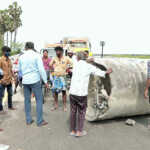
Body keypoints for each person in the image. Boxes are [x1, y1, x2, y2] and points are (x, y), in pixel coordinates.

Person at [69, 52, 113, 137]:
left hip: (72, 93)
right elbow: (101, 72)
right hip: (81, 94)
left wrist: (86, 59)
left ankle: (73, 131)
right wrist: (108, 71)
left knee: (73, 112)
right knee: (81, 112)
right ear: (85, 59)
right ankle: (79, 131)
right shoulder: (89, 67)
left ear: (78, 58)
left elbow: (74, 56)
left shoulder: (75, 63)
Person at [19, 42, 48, 126]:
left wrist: (22, 78)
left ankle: (28, 120)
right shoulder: (37, 55)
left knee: (27, 100)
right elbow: (41, 69)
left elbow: (19, 70)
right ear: (33, 47)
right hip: (35, 80)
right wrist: (45, 81)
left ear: (26, 47)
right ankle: (39, 121)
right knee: (39, 100)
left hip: (25, 81)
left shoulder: (21, 57)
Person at [50, 46, 72, 112]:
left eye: (59, 51)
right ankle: (55, 105)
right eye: (56, 51)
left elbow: (72, 64)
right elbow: (50, 64)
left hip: (63, 77)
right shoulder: (54, 58)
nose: (57, 52)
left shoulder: (66, 58)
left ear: (62, 51)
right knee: (55, 92)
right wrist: (53, 68)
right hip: (56, 77)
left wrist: (68, 68)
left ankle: (64, 106)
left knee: (64, 92)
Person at [0, 46, 16, 114]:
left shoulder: (9, 59)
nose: (8, 53)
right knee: (1, 95)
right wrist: (1, 79)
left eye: (9, 51)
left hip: (9, 80)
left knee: (10, 94)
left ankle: (10, 106)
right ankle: (0, 109)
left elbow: (11, 69)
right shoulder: (0, 59)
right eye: (7, 51)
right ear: (3, 52)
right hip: (2, 80)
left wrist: (14, 76)